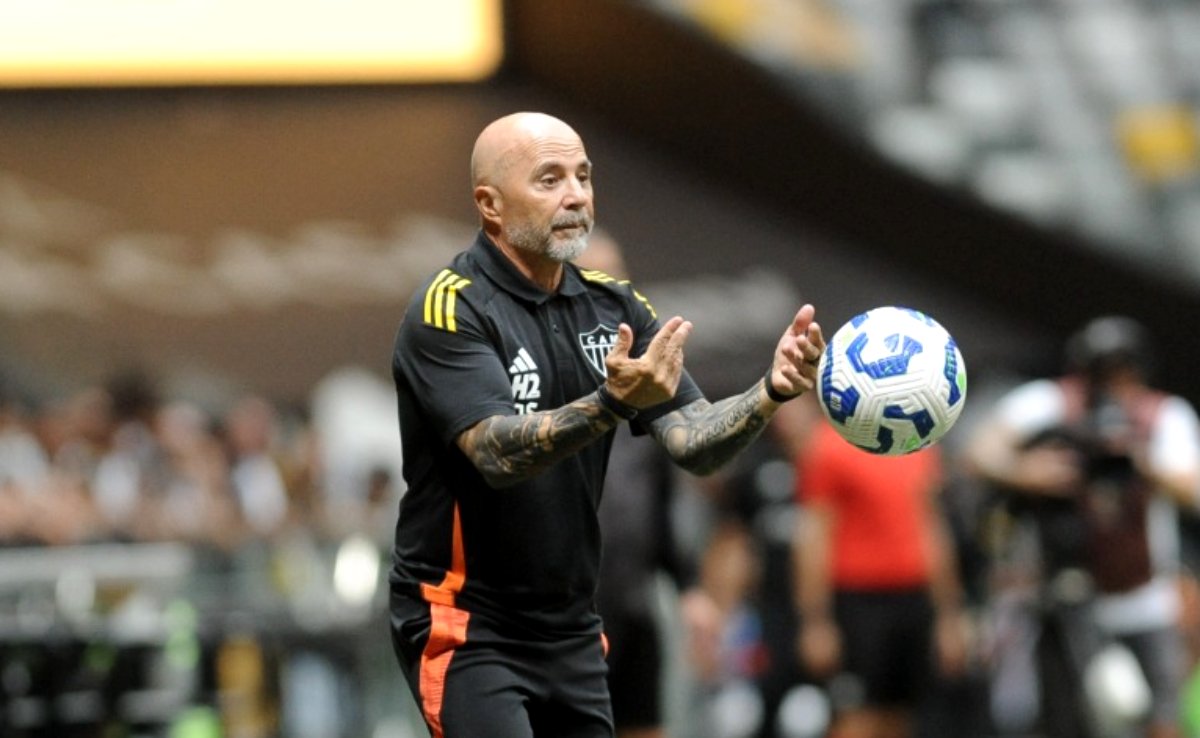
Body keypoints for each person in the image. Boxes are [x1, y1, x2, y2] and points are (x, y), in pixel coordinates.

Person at [388, 111, 826, 738]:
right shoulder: (450, 306)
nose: (575, 195)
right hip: (467, 621)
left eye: (583, 176)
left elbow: (694, 443)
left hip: (571, 623)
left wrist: (772, 390)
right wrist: (611, 404)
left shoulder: (615, 305)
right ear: (490, 203)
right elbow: (493, 453)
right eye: (549, 179)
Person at [967, 315, 1200, 738]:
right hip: (1073, 600)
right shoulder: (1056, 404)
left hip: (1145, 597)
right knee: (1074, 719)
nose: (1115, 385)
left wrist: (1138, 461)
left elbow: (1192, 489)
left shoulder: (1161, 416)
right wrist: (1027, 471)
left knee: (1159, 718)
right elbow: (980, 450)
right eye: (1104, 372)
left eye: (1124, 372)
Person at [792, 394, 968, 738]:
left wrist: (949, 614)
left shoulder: (917, 444)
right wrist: (816, 621)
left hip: (912, 597)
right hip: (858, 602)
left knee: (900, 715)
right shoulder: (829, 447)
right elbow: (813, 537)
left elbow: (931, 527)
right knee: (857, 717)